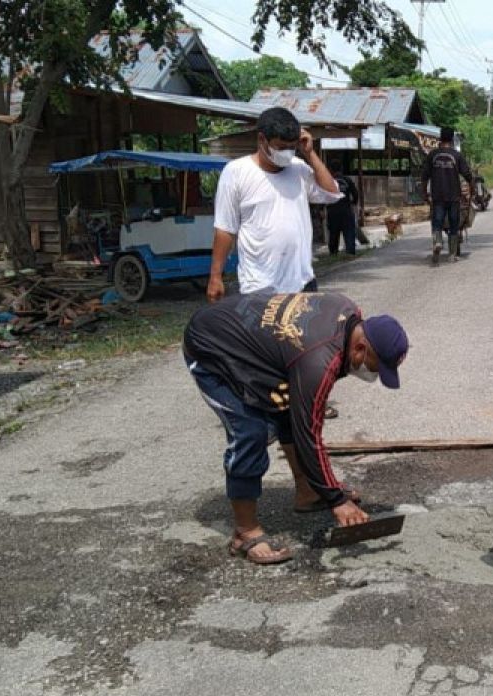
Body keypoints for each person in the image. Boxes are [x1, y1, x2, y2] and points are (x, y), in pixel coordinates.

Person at [184, 291, 409, 564]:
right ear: (360, 348)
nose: (372, 374)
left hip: (250, 340)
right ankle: (245, 532)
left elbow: (302, 415)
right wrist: (336, 500)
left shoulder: (349, 313)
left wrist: (325, 489)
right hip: (211, 345)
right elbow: (309, 434)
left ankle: (307, 492)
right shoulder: (319, 360)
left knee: (289, 409)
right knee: (250, 431)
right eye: (375, 367)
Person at [207, 107, 343, 303]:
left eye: (292, 147)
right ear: (262, 139)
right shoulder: (236, 172)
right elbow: (225, 229)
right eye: (280, 147)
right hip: (260, 287)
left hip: (302, 283)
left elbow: (332, 193)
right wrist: (215, 276)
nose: (287, 153)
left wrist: (310, 154)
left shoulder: (298, 169)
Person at [420, 127, 472, 263]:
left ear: (440, 139)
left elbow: (424, 176)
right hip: (454, 196)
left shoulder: (432, 155)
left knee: (437, 221)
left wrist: (424, 193)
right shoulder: (456, 155)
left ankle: (437, 242)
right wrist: (471, 187)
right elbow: (467, 174)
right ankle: (452, 254)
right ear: (451, 140)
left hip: (437, 196)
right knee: (454, 224)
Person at [327, 167, 360, 257]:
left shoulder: (329, 180)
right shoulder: (347, 180)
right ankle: (350, 253)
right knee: (349, 231)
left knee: (333, 233)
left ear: (331, 170)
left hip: (333, 209)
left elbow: (322, 194)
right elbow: (355, 193)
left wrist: (322, 208)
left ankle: (333, 254)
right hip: (346, 209)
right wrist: (353, 203)